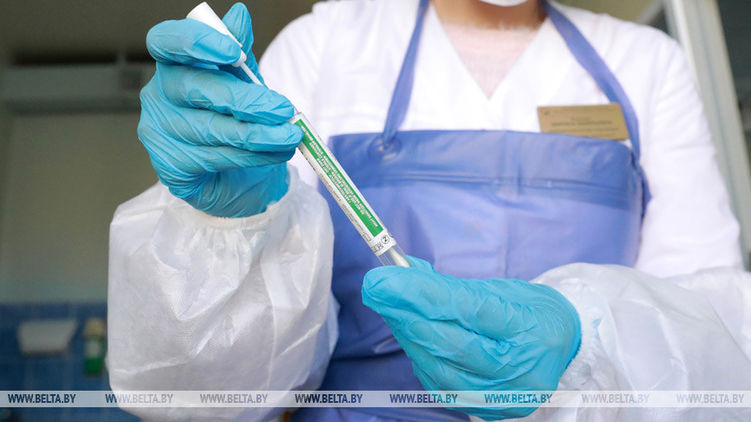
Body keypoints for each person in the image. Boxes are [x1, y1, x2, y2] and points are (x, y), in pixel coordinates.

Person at [107, 0, 751, 421]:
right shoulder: (328, 45)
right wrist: (228, 227)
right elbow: (210, 396)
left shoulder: (647, 63)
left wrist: (589, 341)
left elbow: (716, 338)